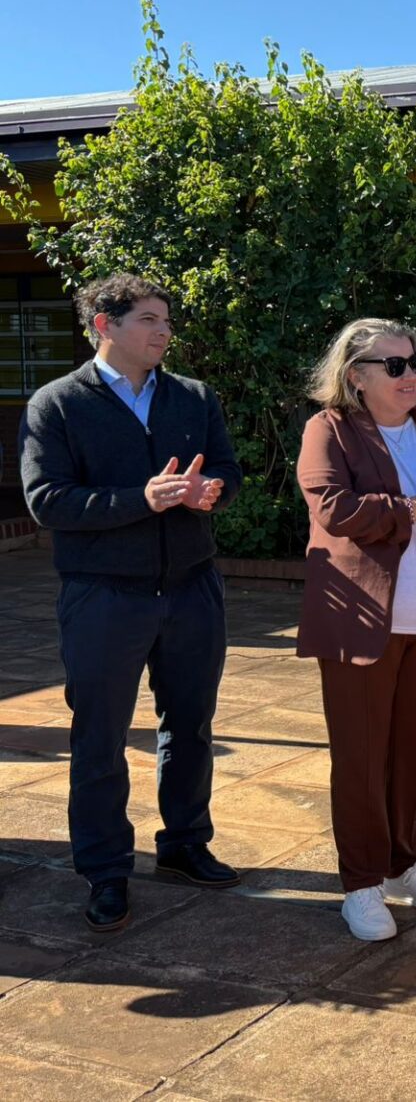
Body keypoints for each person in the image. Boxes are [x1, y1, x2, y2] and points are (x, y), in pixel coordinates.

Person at [20, 273, 243, 932]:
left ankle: (184, 844)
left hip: (191, 588)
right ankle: (106, 870)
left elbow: (227, 472)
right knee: (99, 740)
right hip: (102, 597)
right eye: (148, 319)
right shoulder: (57, 404)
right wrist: (136, 500)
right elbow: (47, 501)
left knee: (191, 727)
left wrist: (212, 494)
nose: (163, 332)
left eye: (166, 320)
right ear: (103, 325)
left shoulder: (193, 397)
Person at [296, 318, 416, 940]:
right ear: (357, 375)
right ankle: (360, 881)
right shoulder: (328, 430)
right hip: (363, 622)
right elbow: (334, 509)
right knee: (360, 755)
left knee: (410, 752)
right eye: (395, 365)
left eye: (415, 360)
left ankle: (405, 861)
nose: (412, 374)